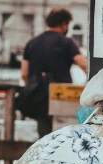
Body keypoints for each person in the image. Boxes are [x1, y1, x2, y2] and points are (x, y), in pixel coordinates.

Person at [21, 8, 87, 138]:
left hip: (38, 96)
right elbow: (83, 64)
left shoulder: (32, 43)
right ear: (63, 24)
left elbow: (24, 74)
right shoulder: (67, 42)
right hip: (62, 96)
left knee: (44, 136)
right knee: (62, 136)